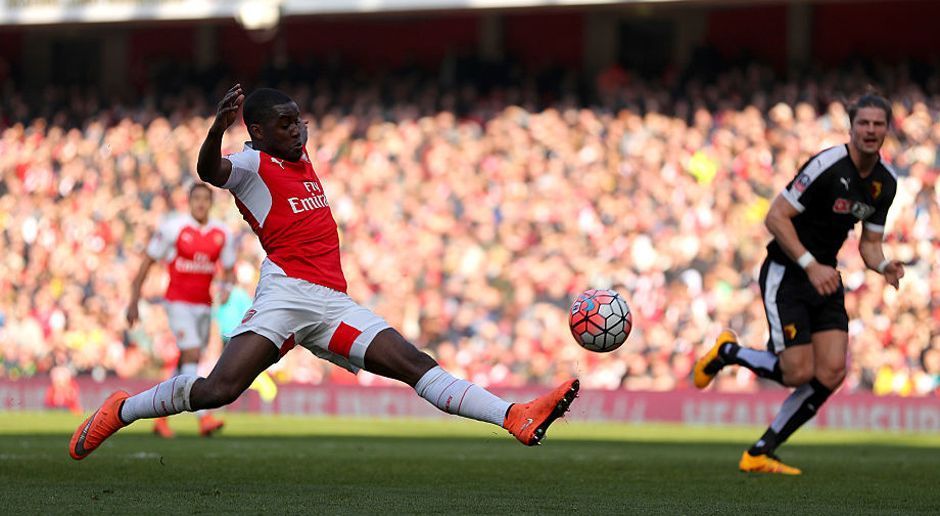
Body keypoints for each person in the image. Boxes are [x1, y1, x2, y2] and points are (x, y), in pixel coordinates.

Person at [70, 85, 579, 460]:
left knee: (414, 363)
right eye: (286, 125)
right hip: (286, 296)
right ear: (258, 133)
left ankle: (514, 416)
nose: (298, 131)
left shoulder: (297, 150)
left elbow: (291, 131)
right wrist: (215, 129)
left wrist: (290, 127)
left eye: (300, 122)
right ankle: (124, 409)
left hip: (333, 301)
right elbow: (209, 172)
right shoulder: (250, 168)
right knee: (218, 391)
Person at [692, 93, 904, 475]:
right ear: (851, 127)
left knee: (833, 372)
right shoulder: (826, 165)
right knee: (796, 373)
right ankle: (729, 354)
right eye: (864, 123)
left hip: (824, 275)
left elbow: (870, 245)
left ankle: (761, 451)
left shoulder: (885, 183)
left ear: (887, 129)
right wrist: (809, 265)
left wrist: (885, 265)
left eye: (878, 124)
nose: (871, 131)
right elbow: (776, 217)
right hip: (788, 272)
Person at [126, 183, 236, 438]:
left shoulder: (222, 233)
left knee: (187, 361)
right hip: (177, 302)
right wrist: (134, 300)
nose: (200, 203)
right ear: (189, 201)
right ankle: (204, 417)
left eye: (204, 199)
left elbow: (229, 268)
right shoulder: (173, 228)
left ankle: (160, 418)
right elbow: (148, 262)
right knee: (191, 352)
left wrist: (228, 287)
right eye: (195, 198)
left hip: (203, 305)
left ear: (210, 203)